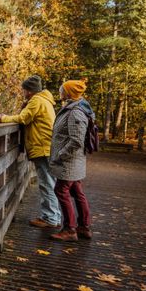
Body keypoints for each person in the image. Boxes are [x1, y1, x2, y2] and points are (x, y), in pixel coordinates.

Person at [0, 75, 61, 228]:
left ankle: (51, 219)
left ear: (30, 91)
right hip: (46, 146)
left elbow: (24, 118)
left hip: (42, 146)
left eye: (24, 89)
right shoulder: (44, 100)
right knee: (49, 182)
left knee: (46, 183)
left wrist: (4, 118)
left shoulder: (37, 100)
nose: (23, 92)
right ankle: (53, 217)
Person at [49, 80, 94, 242]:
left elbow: (76, 140)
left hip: (69, 162)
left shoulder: (75, 112)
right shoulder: (73, 107)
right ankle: (84, 227)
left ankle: (70, 229)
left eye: (62, 89)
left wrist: (61, 154)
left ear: (68, 93)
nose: (60, 91)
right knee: (76, 192)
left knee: (60, 191)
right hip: (72, 162)